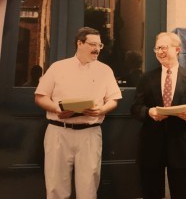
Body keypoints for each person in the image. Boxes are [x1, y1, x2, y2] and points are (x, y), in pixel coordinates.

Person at [35, 27, 122, 199]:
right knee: (55, 184)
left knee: (89, 184)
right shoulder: (57, 67)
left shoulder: (105, 70)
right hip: (59, 132)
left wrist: (101, 110)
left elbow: (113, 99)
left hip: (90, 133)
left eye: (100, 45)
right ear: (79, 43)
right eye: (92, 44)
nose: (97, 49)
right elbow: (40, 96)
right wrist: (56, 109)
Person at [131, 32, 186, 199]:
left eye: (163, 47)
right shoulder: (146, 78)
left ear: (177, 49)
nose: (159, 52)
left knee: (184, 193)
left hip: (181, 144)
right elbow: (136, 108)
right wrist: (149, 112)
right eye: (157, 48)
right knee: (151, 192)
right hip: (151, 144)